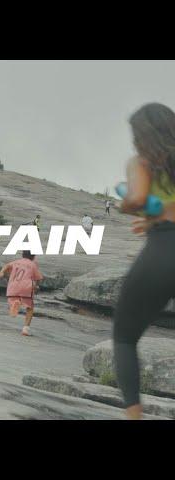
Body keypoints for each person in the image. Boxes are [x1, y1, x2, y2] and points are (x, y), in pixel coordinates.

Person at [112, 103, 175, 420]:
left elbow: (137, 198)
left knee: (124, 337)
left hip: (164, 251)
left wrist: (125, 205)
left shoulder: (143, 162)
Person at [0, 250, 44, 336]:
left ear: (23, 255)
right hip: (26, 287)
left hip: (13, 286)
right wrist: (37, 286)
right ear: (33, 257)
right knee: (30, 308)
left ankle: (14, 303)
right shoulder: (32, 264)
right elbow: (39, 278)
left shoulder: (16, 262)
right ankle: (25, 329)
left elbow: (7, 266)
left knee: (13, 298)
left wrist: (2, 272)